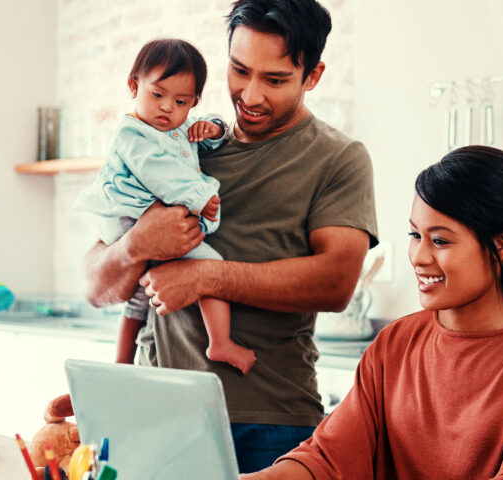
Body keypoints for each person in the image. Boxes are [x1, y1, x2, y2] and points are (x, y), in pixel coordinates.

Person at [80, 0, 378, 473]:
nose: (251, 95)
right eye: (239, 71)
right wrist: (138, 244)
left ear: (313, 75)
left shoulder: (338, 159)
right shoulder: (182, 142)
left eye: (275, 80)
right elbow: (97, 287)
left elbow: (336, 283)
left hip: (272, 421)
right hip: (157, 410)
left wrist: (204, 279)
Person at [245, 146, 503, 479]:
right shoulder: (396, 342)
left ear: (502, 245)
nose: (418, 257)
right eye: (415, 235)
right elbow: (326, 458)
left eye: (441, 240)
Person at [74, 38, 257, 374]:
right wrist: (199, 199)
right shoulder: (134, 132)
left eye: (181, 101)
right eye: (157, 95)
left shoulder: (178, 127)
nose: (166, 108)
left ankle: (121, 364)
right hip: (128, 217)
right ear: (134, 85)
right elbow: (159, 173)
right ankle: (221, 342)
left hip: (136, 217)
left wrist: (212, 128)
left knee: (140, 294)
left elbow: (204, 137)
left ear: (193, 102)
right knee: (210, 264)